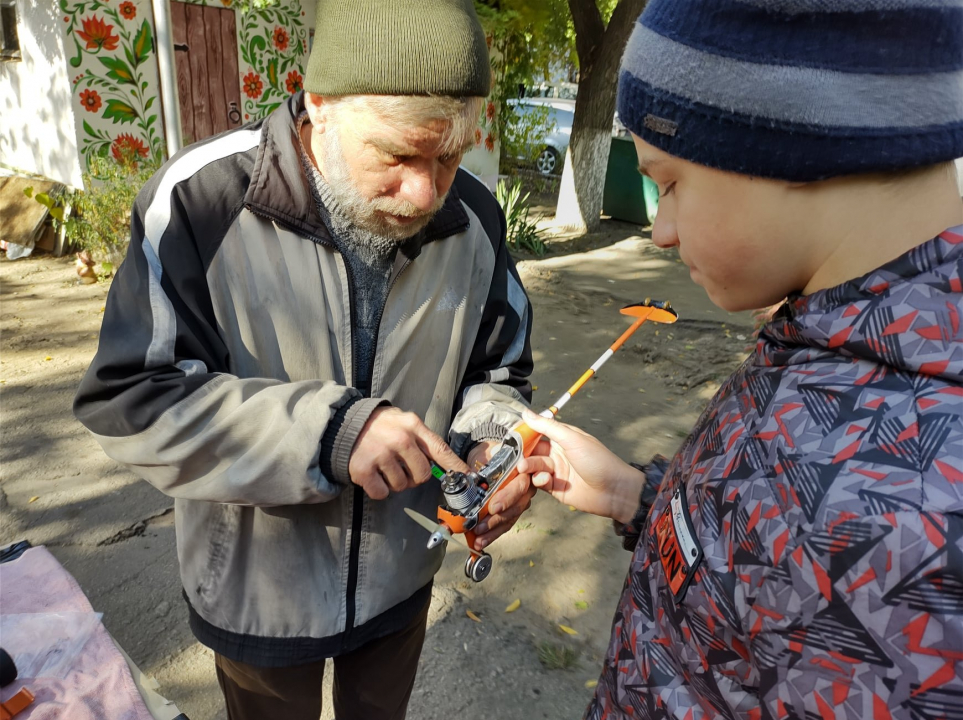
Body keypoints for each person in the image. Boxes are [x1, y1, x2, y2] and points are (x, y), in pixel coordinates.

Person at [73, 1, 536, 718]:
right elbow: (133, 400)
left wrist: (494, 448)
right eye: (399, 154)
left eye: (449, 156)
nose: (425, 192)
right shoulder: (200, 200)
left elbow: (498, 374)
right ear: (318, 106)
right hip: (258, 592)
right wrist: (331, 432)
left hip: (401, 577)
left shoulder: (474, 216)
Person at [516, 1, 963, 718]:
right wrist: (641, 498)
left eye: (667, 184)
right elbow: (772, 569)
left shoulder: (921, 516)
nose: (659, 232)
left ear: (789, 142)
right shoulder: (820, 329)